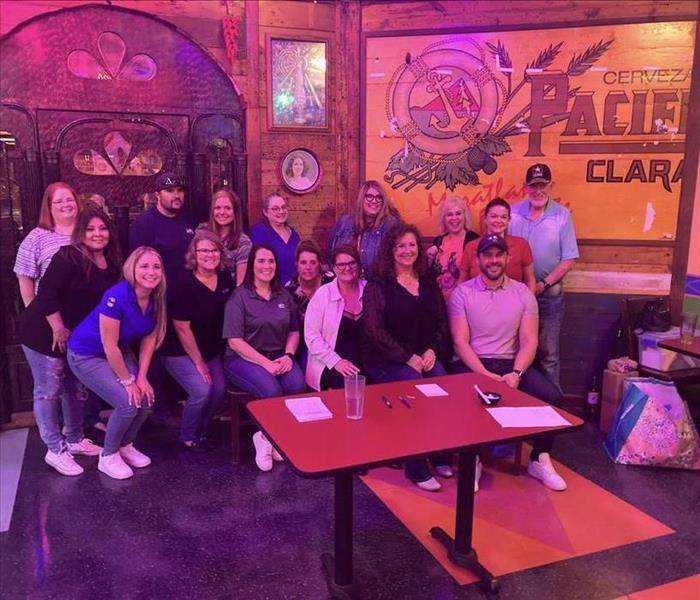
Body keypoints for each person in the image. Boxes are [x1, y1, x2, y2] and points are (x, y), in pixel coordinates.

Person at [448, 234, 567, 491]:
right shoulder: (462, 293)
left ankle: (539, 458)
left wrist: (516, 373)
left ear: (507, 258)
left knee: (552, 397)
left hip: (511, 364)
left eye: (498, 255)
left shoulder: (523, 293)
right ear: (478, 259)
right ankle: (474, 460)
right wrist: (482, 375)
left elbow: (529, 341)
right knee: (472, 400)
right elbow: (460, 342)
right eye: (487, 255)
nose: (493, 260)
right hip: (473, 364)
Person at [18, 205, 121, 475]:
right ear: (80, 232)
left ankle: (74, 439)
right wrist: (58, 328)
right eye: (90, 228)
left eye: (102, 228)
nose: (97, 234)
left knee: (74, 389)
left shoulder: (110, 261)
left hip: (73, 336)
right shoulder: (67, 256)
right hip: (43, 332)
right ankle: (55, 449)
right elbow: (47, 294)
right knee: (48, 389)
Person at [363, 223, 452, 492]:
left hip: (424, 356)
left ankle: (439, 453)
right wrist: (406, 358)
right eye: (401, 245)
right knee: (415, 389)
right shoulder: (378, 284)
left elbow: (441, 323)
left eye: (412, 245)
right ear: (391, 250)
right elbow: (374, 331)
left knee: (443, 384)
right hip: (386, 360)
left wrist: (432, 351)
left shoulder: (427, 282)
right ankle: (416, 467)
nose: (407, 250)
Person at [67, 247, 167, 480]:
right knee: (127, 403)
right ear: (131, 269)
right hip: (87, 355)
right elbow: (109, 345)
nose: (151, 272)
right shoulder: (117, 296)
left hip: (119, 352)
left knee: (145, 399)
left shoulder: (156, 298)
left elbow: (149, 338)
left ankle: (125, 445)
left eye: (156, 267)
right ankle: (108, 455)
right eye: (144, 266)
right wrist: (127, 381)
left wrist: (141, 377)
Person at [223, 244, 305, 471]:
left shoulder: (283, 295)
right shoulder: (239, 297)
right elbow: (234, 341)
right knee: (271, 390)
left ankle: (271, 437)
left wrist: (288, 355)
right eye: (261, 261)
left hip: (279, 354)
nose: (266, 266)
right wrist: (265, 363)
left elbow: (294, 331)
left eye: (270, 261)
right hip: (242, 359)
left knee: (297, 385)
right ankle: (265, 439)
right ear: (252, 265)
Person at [159, 231, 234, 451]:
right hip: (178, 349)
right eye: (203, 250)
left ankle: (203, 430)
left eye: (214, 250)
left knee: (219, 389)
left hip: (210, 348)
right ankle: (189, 435)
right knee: (202, 390)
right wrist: (199, 363)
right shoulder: (183, 284)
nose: (209, 255)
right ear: (194, 253)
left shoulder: (225, 277)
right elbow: (182, 328)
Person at [508, 164, 579, 391]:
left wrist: (542, 285)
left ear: (551, 185)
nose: (538, 190)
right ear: (525, 187)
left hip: (549, 295)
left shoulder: (562, 215)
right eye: (533, 185)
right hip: (516, 296)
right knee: (515, 351)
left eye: (543, 185)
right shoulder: (512, 213)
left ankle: (554, 408)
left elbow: (568, 259)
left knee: (549, 353)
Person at [305, 245, 365, 391]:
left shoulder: (369, 289)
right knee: (348, 386)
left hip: (366, 358)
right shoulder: (322, 295)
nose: (347, 268)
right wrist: (336, 362)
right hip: (331, 361)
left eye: (352, 263)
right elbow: (312, 336)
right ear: (333, 267)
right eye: (341, 264)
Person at [14, 182, 80, 307]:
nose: (66, 204)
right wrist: (33, 311)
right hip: (52, 313)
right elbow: (24, 277)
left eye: (70, 199)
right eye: (59, 201)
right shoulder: (36, 237)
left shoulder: (91, 232)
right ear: (49, 206)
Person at [129, 171, 195, 286]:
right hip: (160, 294)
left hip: (188, 292)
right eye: (169, 191)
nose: (176, 195)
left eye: (179, 190)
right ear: (157, 195)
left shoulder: (189, 218)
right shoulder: (144, 224)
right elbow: (136, 265)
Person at [460, 197, 536, 294]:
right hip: (478, 305)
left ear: (509, 220)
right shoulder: (471, 246)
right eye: (494, 216)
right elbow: (462, 282)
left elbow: (530, 280)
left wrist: (529, 303)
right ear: (485, 219)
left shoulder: (521, 245)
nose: (498, 220)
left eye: (503, 217)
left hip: (514, 304)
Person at [326, 180, 401, 278]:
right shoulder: (344, 222)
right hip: (344, 282)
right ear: (361, 198)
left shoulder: (391, 225)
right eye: (369, 196)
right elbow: (330, 252)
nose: (374, 201)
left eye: (379, 197)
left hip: (375, 285)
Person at [284, 240, 335, 368]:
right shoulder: (289, 289)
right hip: (304, 343)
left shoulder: (332, 282)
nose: (308, 267)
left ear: (319, 264)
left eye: (313, 262)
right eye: (303, 262)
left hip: (332, 338)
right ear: (296, 265)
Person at [426, 195, 479, 299]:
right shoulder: (439, 241)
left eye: (458, 213)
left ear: (465, 216)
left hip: (464, 300)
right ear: (444, 219)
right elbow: (430, 275)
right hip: (439, 302)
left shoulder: (474, 240)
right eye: (449, 214)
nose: (454, 218)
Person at [197, 188, 251, 285]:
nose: (222, 212)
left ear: (235, 212)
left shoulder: (243, 242)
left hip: (229, 294)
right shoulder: (201, 231)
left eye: (227, 208)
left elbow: (240, 284)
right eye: (217, 208)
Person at [250, 192, 301, 285]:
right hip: (272, 289)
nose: (281, 211)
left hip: (295, 289)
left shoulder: (294, 235)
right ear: (265, 212)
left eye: (283, 207)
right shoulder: (259, 232)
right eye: (275, 209)